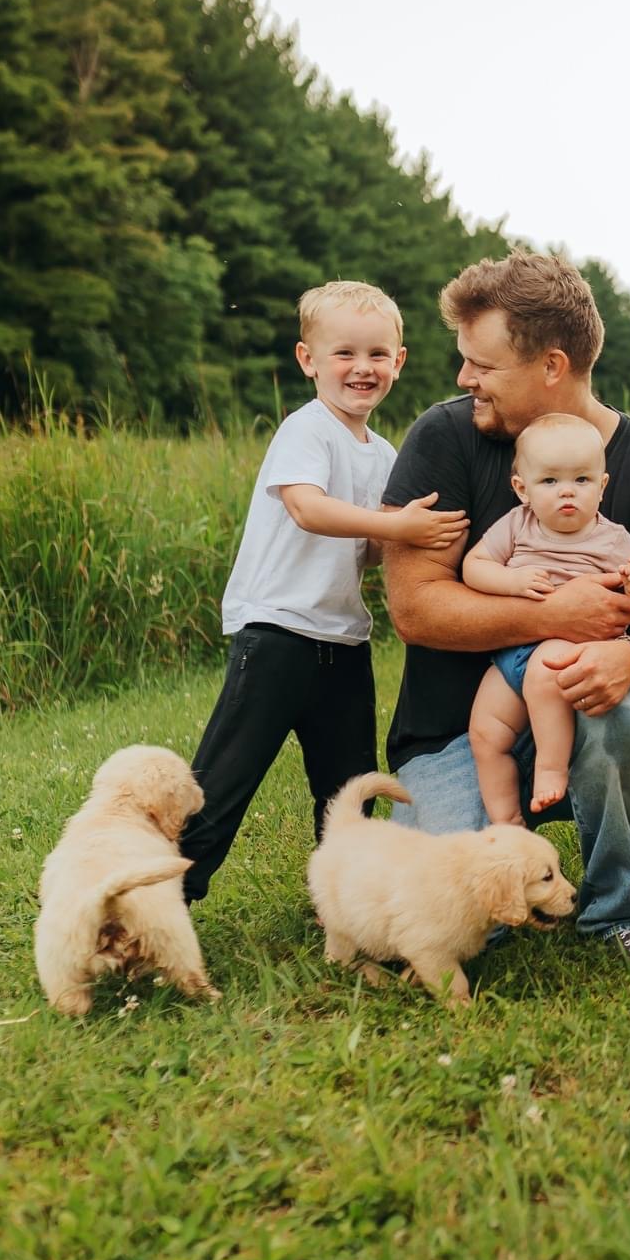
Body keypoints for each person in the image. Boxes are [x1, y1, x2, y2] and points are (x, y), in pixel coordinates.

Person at [379, 252, 630, 968]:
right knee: (463, 922)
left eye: (481, 364)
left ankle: (618, 910)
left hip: (592, 710)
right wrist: (554, 615)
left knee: (629, 715)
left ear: (552, 365)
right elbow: (415, 607)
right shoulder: (444, 439)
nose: (464, 379)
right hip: (460, 733)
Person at [180, 281, 469, 903]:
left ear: (400, 360)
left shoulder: (386, 453)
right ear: (308, 360)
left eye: (376, 354)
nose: (361, 368)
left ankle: (347, 905)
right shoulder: (305, 430)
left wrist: (423, 540)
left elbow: (364, 550)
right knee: (222, 781)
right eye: (344, 354)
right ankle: (157, 899)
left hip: (343, 643)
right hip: (277, 633)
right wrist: (397, 525)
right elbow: (309, 510)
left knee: (348, 789)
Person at [463, 413, 630, 827]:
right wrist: (512, 581)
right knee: (484, 732)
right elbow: (474, 565)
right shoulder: (517, 525)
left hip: (568, 647)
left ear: (602, 486)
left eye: (582, 480)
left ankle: (551, 769)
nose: (566, 492)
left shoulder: (611, 537)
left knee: (542, 674)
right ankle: (507, 820)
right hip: (511, 650)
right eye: (550, 481)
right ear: (523, 489)